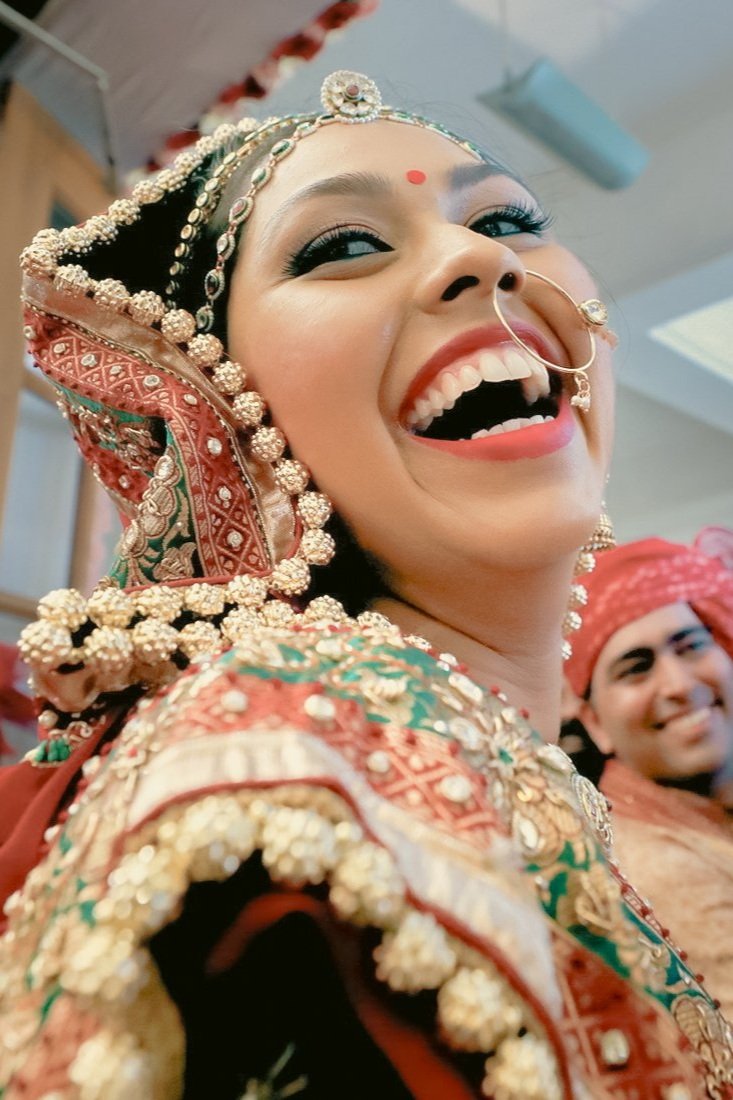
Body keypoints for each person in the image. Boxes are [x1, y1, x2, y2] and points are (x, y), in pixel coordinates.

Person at [0, 71, 730, 1099]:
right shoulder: (298, 766)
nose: (480, 257)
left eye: (512, 218)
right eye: (342, 244)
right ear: (218, 407)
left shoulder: (481, 762)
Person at [565, 532, 733, 1024]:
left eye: (690, 645)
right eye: (636, 669)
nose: (680, 685)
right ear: (595, 723)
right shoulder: (652, 864)